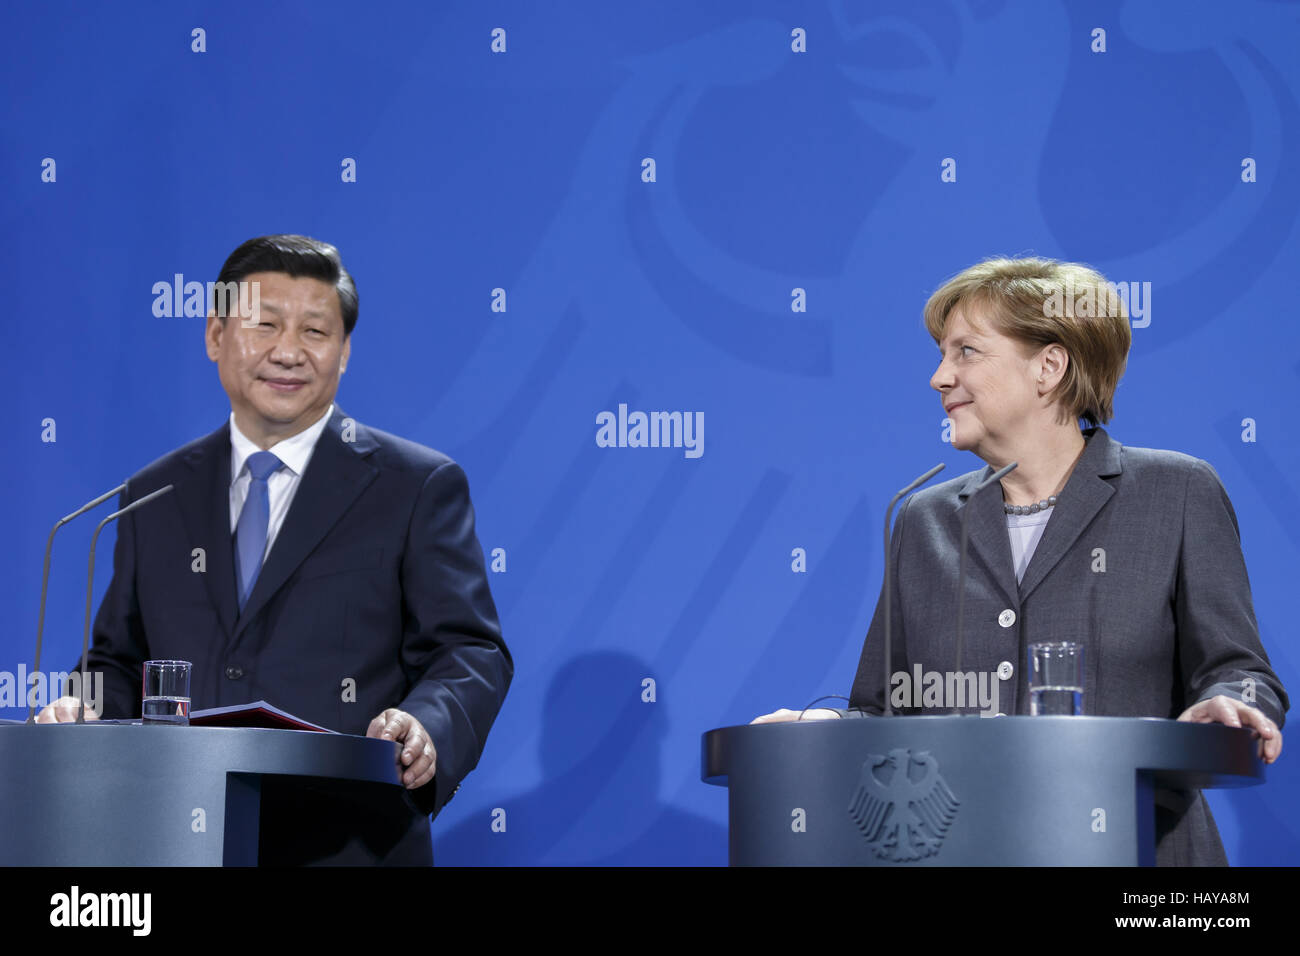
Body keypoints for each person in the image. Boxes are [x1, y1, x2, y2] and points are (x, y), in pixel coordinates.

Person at [754, 256, 1287, 866]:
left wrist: (1235, 702)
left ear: (1049, 367)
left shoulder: (1176, 492)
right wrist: (823, 727)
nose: (938, 377)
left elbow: (1238, 668)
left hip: (1142, 856)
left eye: (965, 352)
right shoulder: (923, 518)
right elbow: (885, 711)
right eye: (941, 353)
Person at [37, 234, 512, 865]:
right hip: (173, 840)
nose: (288, 351)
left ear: (344, 352)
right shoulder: (154, 493)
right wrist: (83, 711)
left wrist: (427, 726)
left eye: (315, 331)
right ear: (215, 336)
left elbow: (469, 649)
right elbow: (119, 662)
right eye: (264, 325)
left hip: (347, 842)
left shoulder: (416, 486)